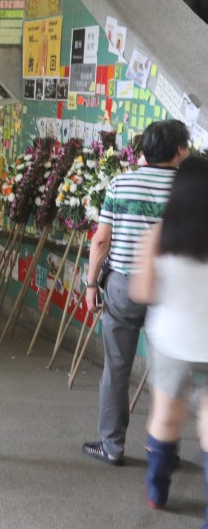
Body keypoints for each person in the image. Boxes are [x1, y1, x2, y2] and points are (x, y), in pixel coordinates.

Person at [82, 120, 190, 465]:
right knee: (166, 371)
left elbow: (100, 240)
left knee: (116, 368)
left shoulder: (121, 182)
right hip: (171, 292)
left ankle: (111, 446)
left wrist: (90, 284)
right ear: (178, 150)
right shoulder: (189, 188)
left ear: (144, 150)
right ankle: (162, 449)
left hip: (123, 288)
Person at [130, 156, 208, 518]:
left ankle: (157, 490)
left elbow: (142, 292)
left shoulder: (158, 235)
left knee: (165, 416)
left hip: (171, 340)